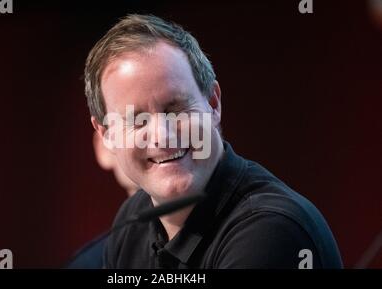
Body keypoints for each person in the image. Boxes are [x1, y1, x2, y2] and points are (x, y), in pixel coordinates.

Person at [85, 14, 343, 268]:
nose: (162, 135)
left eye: (175, 109)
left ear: (213, 104)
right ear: (107, 135)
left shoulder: (272, 232)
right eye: (137, 119)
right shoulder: (132, 222)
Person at [66, 132, 139, 268]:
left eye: (173, 113)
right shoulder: (88, 264)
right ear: (104, 146)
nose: (161, 135)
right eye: (137, 122)